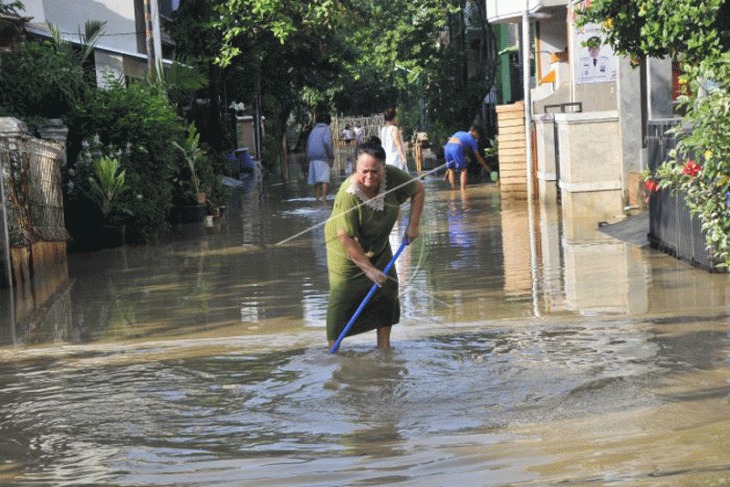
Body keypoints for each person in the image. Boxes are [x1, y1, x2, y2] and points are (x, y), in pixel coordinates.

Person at [324, 138, 425, 350]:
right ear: (356, 168)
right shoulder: (348, 195)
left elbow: (418, 190)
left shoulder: (393, 176)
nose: (369, 177)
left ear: (383, 167)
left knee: (387, 289)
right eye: (364, 171)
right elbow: (345, 237)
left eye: (375, 171)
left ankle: (384, 348)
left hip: (378, 241)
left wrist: (413, 224)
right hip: (344, 248)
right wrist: (368, 269)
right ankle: (334, 354)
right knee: (342, 298)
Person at [443, 125, 491, 191]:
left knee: (451, 169)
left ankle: (453, 189)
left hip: (447, 147)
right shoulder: (472, 140)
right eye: (478, 134)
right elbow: (478, 157)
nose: (478, 136)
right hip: (456, 147)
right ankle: (463, 190)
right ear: (474, 132)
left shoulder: (459, 132)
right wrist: (487, 168)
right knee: (463, 170)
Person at [306, 109, 334, 202]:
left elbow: (308, 144)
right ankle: (324, 199)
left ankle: (318, 198)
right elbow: (327, 143)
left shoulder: (313, 130)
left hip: (312, 157)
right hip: (322, 157)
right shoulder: (326, 130)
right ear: (328, 121)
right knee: (324, 179)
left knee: (316, 180)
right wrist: (331, 156)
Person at [379, 106, 409, 173]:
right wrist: (403, 158)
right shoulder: (394, 129)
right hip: (396, 160)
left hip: (387, 160)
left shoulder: (383, 130)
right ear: (393, 118)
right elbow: (398, 145)